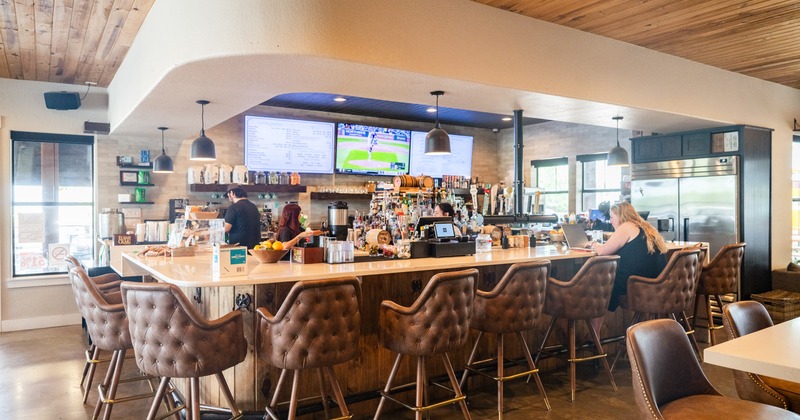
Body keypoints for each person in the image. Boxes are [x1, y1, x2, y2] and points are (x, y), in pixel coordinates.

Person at [588, 201, 668, 335]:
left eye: (612, 217)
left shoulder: (626, 227)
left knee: (601, 285)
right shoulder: (646, 227)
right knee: (609, 280)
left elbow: (602, 252)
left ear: (620, 216)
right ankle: (595, 334)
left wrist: (593, 244)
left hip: (636, 284)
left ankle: (593, 334)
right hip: (655, 283)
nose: (610, 221)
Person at [223, 183, 262, 249]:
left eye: (228, 194)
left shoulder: (233, 208)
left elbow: (226, 229)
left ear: (232, 193)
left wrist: (211, 232)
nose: (228, 196)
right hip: (254, 248)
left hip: (239, 249)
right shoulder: (253, 206)